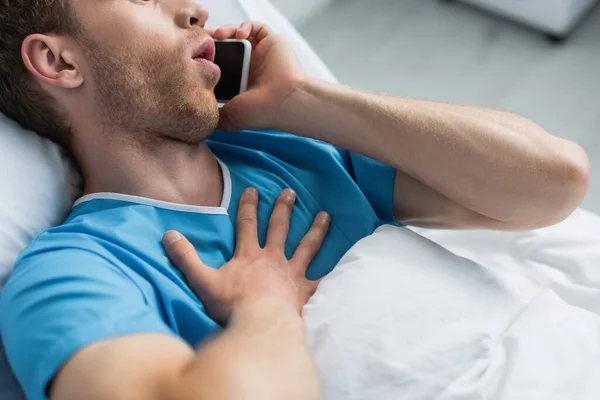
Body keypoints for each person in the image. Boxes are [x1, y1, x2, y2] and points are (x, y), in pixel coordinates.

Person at [0, 0, 590, 399]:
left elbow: (552, 181)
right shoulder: (71, 275)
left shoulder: (293, 150)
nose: (196, 10)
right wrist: (267, 305)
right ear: (58, 60)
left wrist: (304, 98)